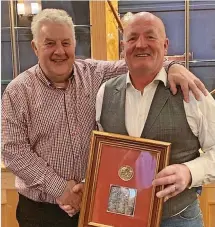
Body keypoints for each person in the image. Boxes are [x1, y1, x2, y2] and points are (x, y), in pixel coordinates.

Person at [1, 8, 207, 227]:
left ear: (74, 44)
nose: (59, 51)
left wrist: (173, 66)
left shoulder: (94, 73)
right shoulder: (18, 91)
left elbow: (138, 61)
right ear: (35, 47)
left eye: (66, 43)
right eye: (49, 43)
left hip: (94, 207)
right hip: (41, 212)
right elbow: (13, 151)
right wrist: (60, 189)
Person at [96, 12, 215, 227]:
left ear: (166, 45)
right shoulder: (105, 92)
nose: (140, 44)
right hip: (120, 217)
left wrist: (189, 172)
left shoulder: (192, 92)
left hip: (177, 218)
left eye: (150, 37)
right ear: (124, 46)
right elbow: (106, 156)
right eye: (132, 38)